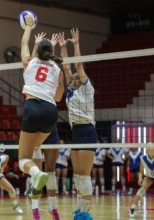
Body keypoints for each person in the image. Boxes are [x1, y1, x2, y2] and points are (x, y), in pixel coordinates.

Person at [18, 13, 64, 213]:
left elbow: (22, 45)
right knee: (36, 145)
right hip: (50, 112)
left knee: (22, 161)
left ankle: (36, 173)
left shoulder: (30, 62)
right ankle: (39, 198)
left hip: (32, 107)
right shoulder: (56, 68)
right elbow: (60, 96)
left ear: (37, 51)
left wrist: (29, 28)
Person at [60, 28, 96, 219]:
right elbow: (66, 67)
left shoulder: (87, 88)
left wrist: (75, 44)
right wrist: (62, 47)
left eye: (76, 76)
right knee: (77, 176)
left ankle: (86, 212)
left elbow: (78, 66)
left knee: (85, 174)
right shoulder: (70, 91)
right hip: (75, 132)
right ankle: (80, 209)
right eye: (72, 77)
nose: (73, 77)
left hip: (88, 131)